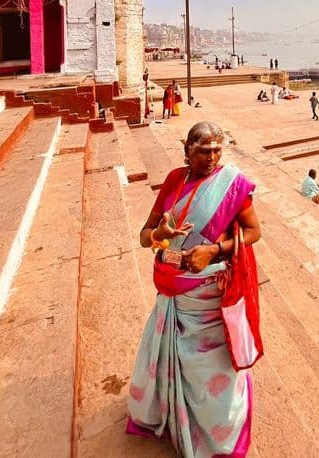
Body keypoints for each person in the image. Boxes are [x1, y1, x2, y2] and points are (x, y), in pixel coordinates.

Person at [127, 121, 261, 457]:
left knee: (208, 373)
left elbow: (254, 231)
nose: (212, 158)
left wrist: (214, 251)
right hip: (172, 287)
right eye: (204, 151)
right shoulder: (175, 180)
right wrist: (160, 232)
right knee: (169, 359)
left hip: (208, 296)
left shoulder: (233, 186)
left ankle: (215, 433)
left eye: (217, 150)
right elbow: (146, 237)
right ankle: (172, 416)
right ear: (187, 151)